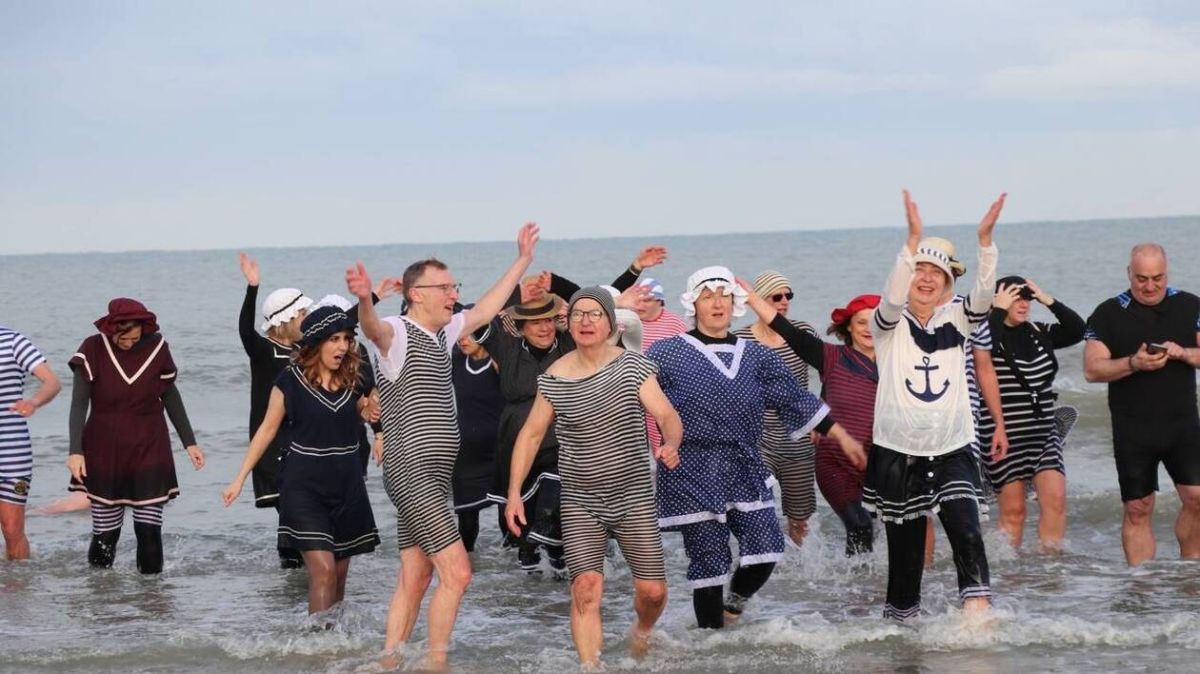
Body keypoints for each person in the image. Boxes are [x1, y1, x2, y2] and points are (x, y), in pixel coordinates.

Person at [346, 222, 539, 669]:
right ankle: (437, 665)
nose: (454, 293)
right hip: (412, 472)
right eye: (445, 287)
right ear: (416, 293)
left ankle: (389, 661)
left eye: (455, 286)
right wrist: (362, 300)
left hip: (436, 476)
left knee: (415, 577)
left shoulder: (445, 331)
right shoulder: (396, 331)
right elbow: (372, 328)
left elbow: (488, 307)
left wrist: (522, 261)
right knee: (460, 573)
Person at [647, 266, 865, 629]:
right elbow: (632, 386)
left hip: (744, 462)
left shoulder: (756, 354)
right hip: (692, 467)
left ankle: (733, 607)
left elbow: (795, 398)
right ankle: (711, 643)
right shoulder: (667, 352)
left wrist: (840, 434)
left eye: (724, 295)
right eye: (707, 295)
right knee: (710, 562)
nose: (717, 302)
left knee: (766, 548)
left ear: (735, 303)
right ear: (693, 304)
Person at [505, 287, 683, 667]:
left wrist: (670, 443)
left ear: (611, 324)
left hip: (633, 496)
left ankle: (643, 631)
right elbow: (531, 434)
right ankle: (591, 666)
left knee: (652, 591)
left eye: (595, 314)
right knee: (585, 588)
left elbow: (667, 415)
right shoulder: (554, 376)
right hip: (580, 500)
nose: (586, 321)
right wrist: (515, 492)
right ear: (568, 324)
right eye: (578, 315)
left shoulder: (632, 366)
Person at [866, 190, 1003, 620]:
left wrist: (985, 243)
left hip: (953, 447)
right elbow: (891, 300)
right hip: (896, 452)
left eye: (937, 273)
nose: (926, 278)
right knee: (905, 568)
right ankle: (902, 644)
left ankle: (978, 632)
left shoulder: (958, 319)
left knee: (967, 533)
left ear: (947, 286)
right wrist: (911, 241)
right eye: (919, 270)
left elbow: (982, 297)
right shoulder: (885, 324)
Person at [484, 253, 663, 577]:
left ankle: (580, 569)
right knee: (523, 541)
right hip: (517, 447)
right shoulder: (506, 346)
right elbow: (486, 316)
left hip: (562, 447)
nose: (543, 328)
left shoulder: (569, 342)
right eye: (534, 322)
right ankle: (540, 605)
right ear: (521, 327)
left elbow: (590, 304)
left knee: (554, 509)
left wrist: (629, 275)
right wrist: (519, 272)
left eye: (547, 320)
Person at [223, 306, 380, 616]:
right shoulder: (289, 381)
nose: (342, 346)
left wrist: (372, 415)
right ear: (317, 341)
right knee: (323, 571)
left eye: (347, 339)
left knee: (339, 574)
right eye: (334, 339)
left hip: (348, 488)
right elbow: (267, 430)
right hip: (303, 488)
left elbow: (363, 410)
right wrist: (239, 478)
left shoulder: (352, 378)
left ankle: (336, 646)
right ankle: (315, 649)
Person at [67, 298, 205, 574]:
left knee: (149, 532)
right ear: (112, 329)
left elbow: (169, 394)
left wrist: (189, 442)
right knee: (106, 535)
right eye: (125, 338)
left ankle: (152, 601)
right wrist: (75, 451)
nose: (130, 343)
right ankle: (100, 595)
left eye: (135, 337)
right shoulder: (92, 348)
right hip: (103, 448)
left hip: (149, 445)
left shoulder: (156, 347)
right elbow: (79, 404)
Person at [1083, 243, 1200, 566]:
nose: (1150, 286)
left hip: (1183, 424)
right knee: (1139, 507)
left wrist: (1184, 354)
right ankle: (1142, 584)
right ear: (1129, 274)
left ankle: (1191, 568)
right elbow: (1092, 369)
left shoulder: (1191, 306)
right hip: (1132, 428)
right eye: (1141, 279)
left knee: (1197, 498)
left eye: (1157, 278)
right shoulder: (1107, 313)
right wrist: (1133, 363)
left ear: (1167, 273)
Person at [740, 290, 881, 555]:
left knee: (880, 528)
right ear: (848, 326)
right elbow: (789, 332)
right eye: (861, 322)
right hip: (834, 461)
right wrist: (753, 299)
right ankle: (854, 590)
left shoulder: (896, 362)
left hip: (880, 460)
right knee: (860, 524)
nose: (868, 329)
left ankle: (867, 585)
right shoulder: (830, 356)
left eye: (875, 322)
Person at [978, 277, 1085, 552]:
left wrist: (1045, 297)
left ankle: (1048, 570)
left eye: (1027, 297)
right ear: (999, 300)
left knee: (1056, 500)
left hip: (1043, 432)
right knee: (1014, 512)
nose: (1023, 303)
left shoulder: (1039, 330)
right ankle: (1012, 577)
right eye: (1016, 297)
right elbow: (983, 347)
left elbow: (1078, 330)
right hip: (1003, 435)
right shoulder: (985, 333)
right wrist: (997, 310)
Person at [238, 253, 313, 568]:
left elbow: (341, 324)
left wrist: (370, 298)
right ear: (288, 319)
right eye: (304, 314)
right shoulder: (264, 350)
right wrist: (252, 288)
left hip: (299, 439)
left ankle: (296, 564)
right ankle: (291, 562)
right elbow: (245, 330)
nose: (309, 319)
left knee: (299, 506)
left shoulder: (304, 351)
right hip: (270, 441)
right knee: (288, 506)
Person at [734, 271, 820, 546]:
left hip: (798, 437)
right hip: (758, 437)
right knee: (759, 505)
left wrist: (819, 422)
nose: (784, 301)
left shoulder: (803, 333)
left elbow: (829, 371)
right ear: (758, 299)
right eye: (776, 296)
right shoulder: (740, 340)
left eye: (788, 296)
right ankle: (765, 561)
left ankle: (798, 571)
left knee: (799, 516)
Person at [1, 326, 61, 560]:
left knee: (12, 529)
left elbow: (52, 382)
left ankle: (17, 590)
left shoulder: (13, 341)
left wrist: (34, 402)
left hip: (13, 450)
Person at [450, 325, 504, 553]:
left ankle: (514, 577)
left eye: (470, 334)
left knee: (508, 520)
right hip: (466, 455)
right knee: (467, 523)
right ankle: (469, 570)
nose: (463, 340)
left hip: (500, 452)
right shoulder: (456, 362)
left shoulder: (498, 362)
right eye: (460, 335)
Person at [633, 277, 688, 450]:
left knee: (663, 444)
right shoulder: (629, 323)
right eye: (638, 300)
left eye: (647, 300)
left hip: (663, 394)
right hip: (634, 396)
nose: (640, 305)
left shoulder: (676, 324)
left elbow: (687, 361)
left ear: (660, 301)